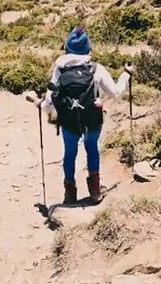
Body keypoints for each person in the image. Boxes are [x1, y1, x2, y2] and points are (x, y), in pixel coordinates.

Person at [39, 26, 133, 204]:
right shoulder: (96, 69)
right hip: (92, 119)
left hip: (68, 121)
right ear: (87, 48)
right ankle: (95, 191)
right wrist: (126, 74)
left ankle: (69, 194)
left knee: (70, 153)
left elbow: (49, 101)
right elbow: (115, 93)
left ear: (67, 47)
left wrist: (43, 107)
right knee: (92, 149)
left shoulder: (60, 70)